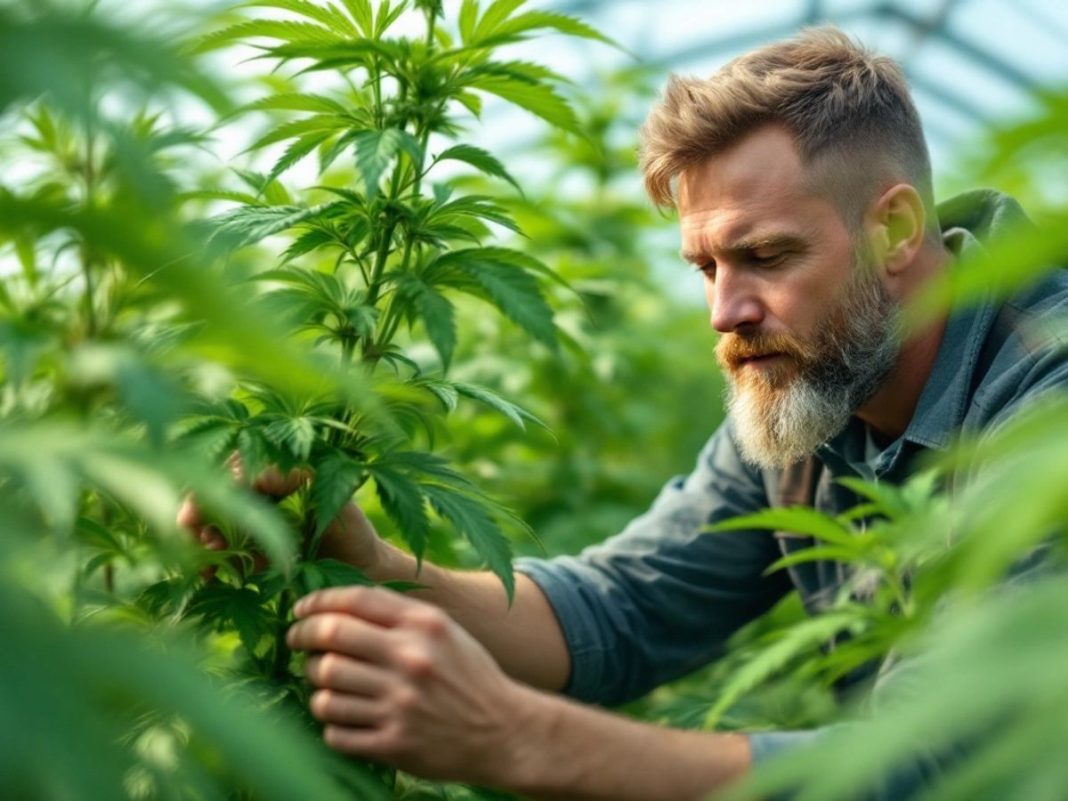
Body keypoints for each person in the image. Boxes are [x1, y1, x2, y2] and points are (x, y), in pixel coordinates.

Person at [183, 26, 1068, 801]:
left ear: (895, 231)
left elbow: (953, 768)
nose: (726, 313)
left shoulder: (1045, 404)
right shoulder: (814, 387)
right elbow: (620, 608)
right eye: (706, 268)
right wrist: (367, 558)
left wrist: (515, 738)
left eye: (765, 255)